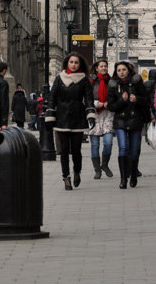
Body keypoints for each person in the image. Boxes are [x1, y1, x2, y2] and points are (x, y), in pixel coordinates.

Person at [48, 53, 95, 190]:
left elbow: (88, 98)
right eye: (71, 62)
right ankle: (66, 177)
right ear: (67, 63)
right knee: (63, 150)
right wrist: (50, 115)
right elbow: (52, 97)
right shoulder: (59, 78)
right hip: (62, 116)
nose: (73, 65)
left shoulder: (84, 80)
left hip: (78, 116)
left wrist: (90, 114)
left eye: (76, 62)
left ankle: (77, 171)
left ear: (80, 65)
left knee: (76, 150)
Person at [107, 60, 149, 189]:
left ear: (128, 70)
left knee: (134, 151)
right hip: (120, 121)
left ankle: (134, 174)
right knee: (123, 148)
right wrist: (122, 100)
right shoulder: (113, 85)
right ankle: (123, 178)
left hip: (135, 120)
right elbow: (111, 106)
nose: (121, 72)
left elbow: (146, 100)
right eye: (119, 70)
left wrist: (136, 99)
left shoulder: (136, 82)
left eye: (123, 70)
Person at [88, 59, 115, 179]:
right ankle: (97, 169)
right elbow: (86, 98)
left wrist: (109, 102)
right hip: (95, 115)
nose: (104, 68)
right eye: (101, 66)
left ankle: (104, 164)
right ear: (96, 68)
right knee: (95, 145)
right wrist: (96, 103)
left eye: (105, 66)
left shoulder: (112, 81)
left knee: (108, 142)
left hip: (108, 114)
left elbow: (115, 96)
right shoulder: (91, 81)